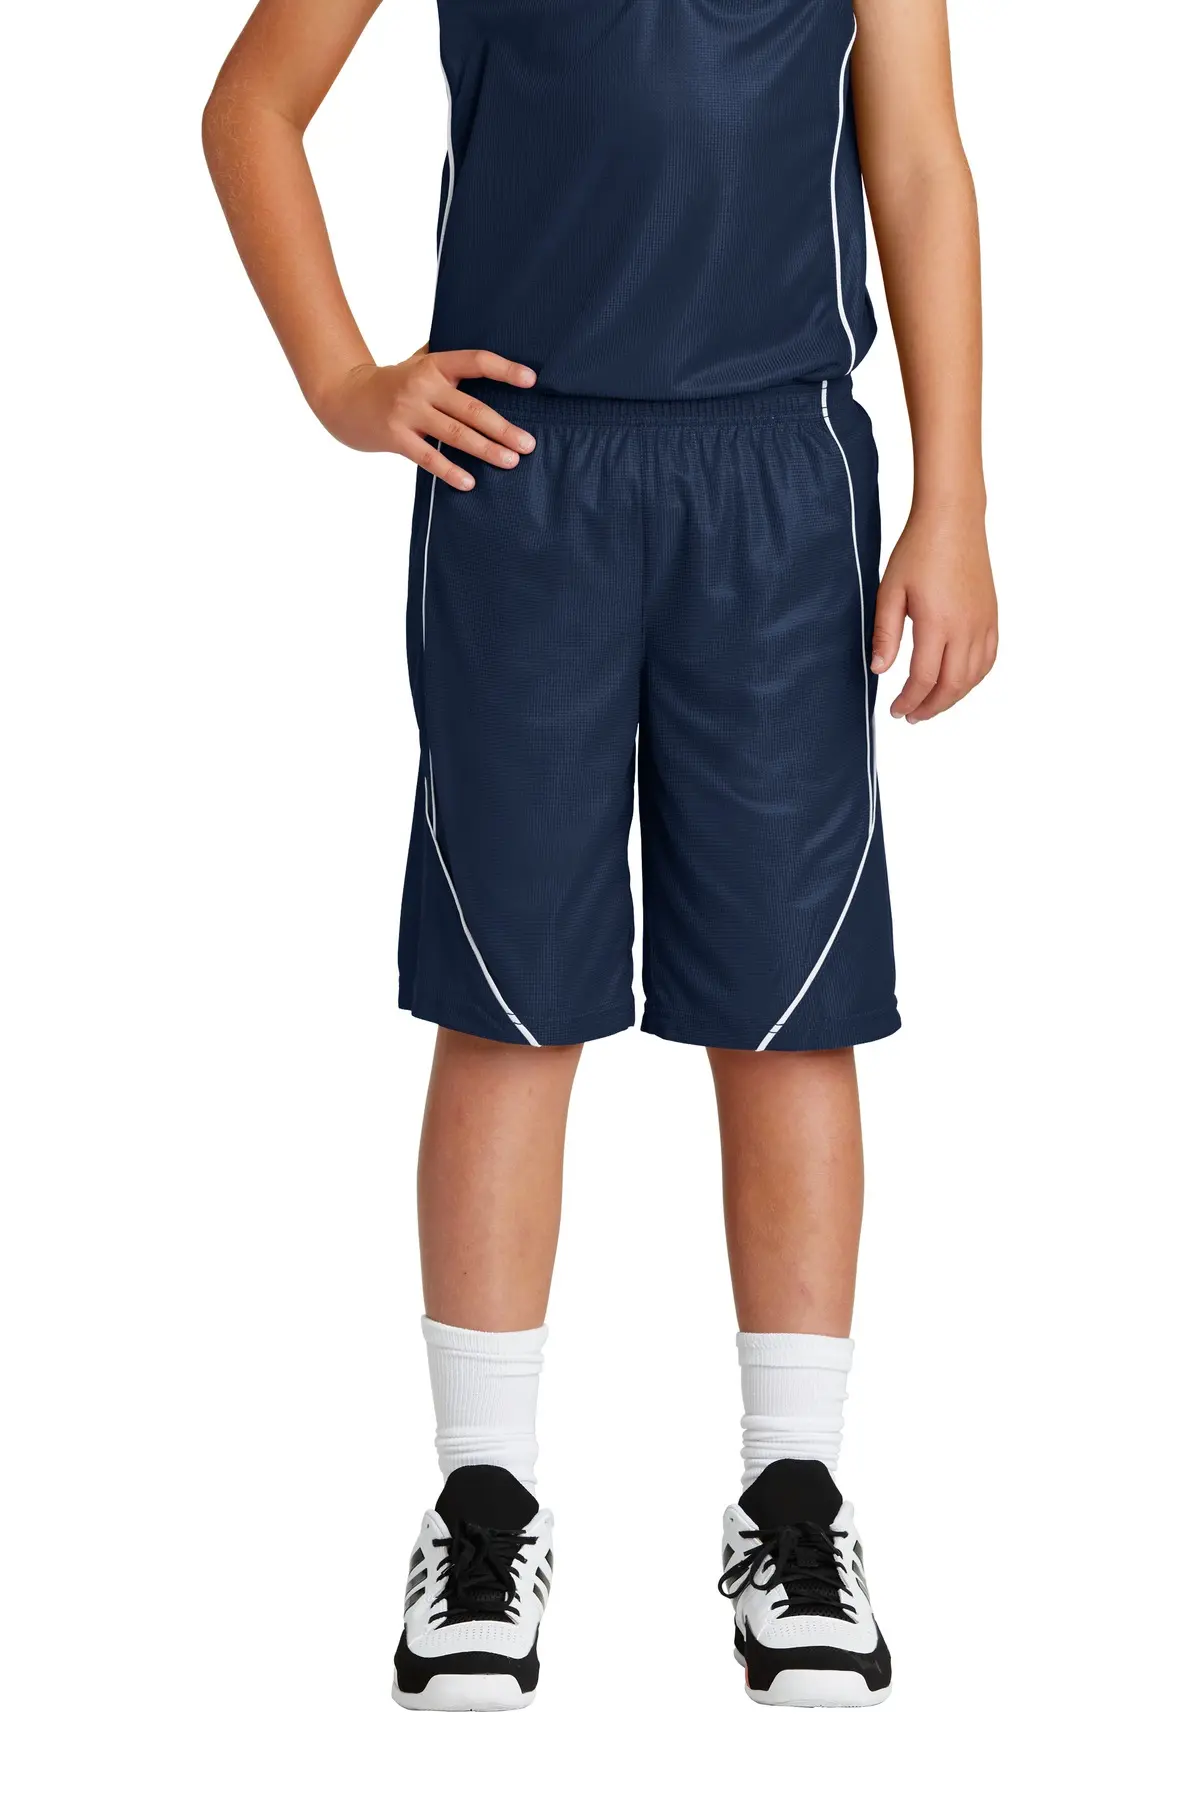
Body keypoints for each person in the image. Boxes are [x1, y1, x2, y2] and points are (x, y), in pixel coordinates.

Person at [203, 0, 997, 1712]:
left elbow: (920, 163)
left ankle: (795, 1494)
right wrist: (345, 379)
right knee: (510, 990)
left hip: (776, 471)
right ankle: (482, 1501)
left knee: (788, 998)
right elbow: (253, 106)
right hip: (523, 473)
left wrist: (956, 500)